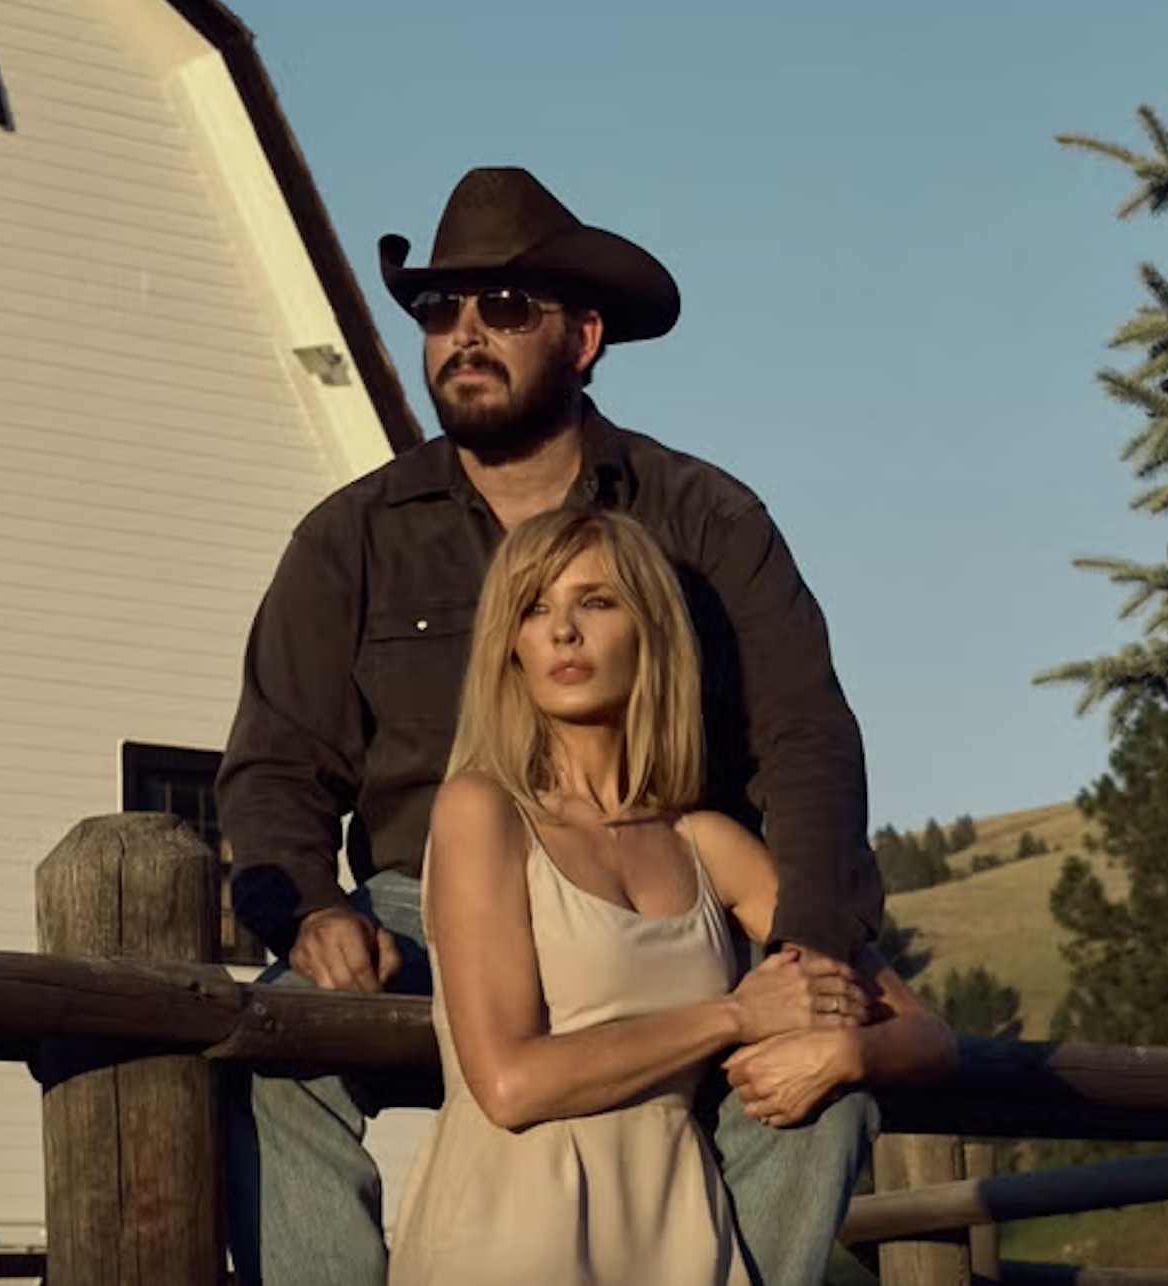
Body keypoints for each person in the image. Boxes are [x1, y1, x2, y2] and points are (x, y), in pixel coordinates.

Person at [218, 166, 891, 1286]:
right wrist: (310, 906)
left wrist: (809, 941)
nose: (463, 335)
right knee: (274, 1057)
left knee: (822, 1083)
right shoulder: (349, 539)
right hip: (426, 904)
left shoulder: (705, 519)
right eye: (440, 311)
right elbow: (275, 762)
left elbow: (807, 739)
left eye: (503, 309)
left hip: (662, 895)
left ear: (581, 337)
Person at [390, 508, 953, 1285]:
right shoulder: (483, 811)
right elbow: (510, 1084)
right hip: (511, 1230)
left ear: (648, 629)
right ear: (509, 648)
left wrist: (845, 1052)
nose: (562, 632)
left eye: (596, 601)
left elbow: (930, 1036)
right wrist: (735, 1015)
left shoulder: (707, 844)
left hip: (682, 1234)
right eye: (535, 608)